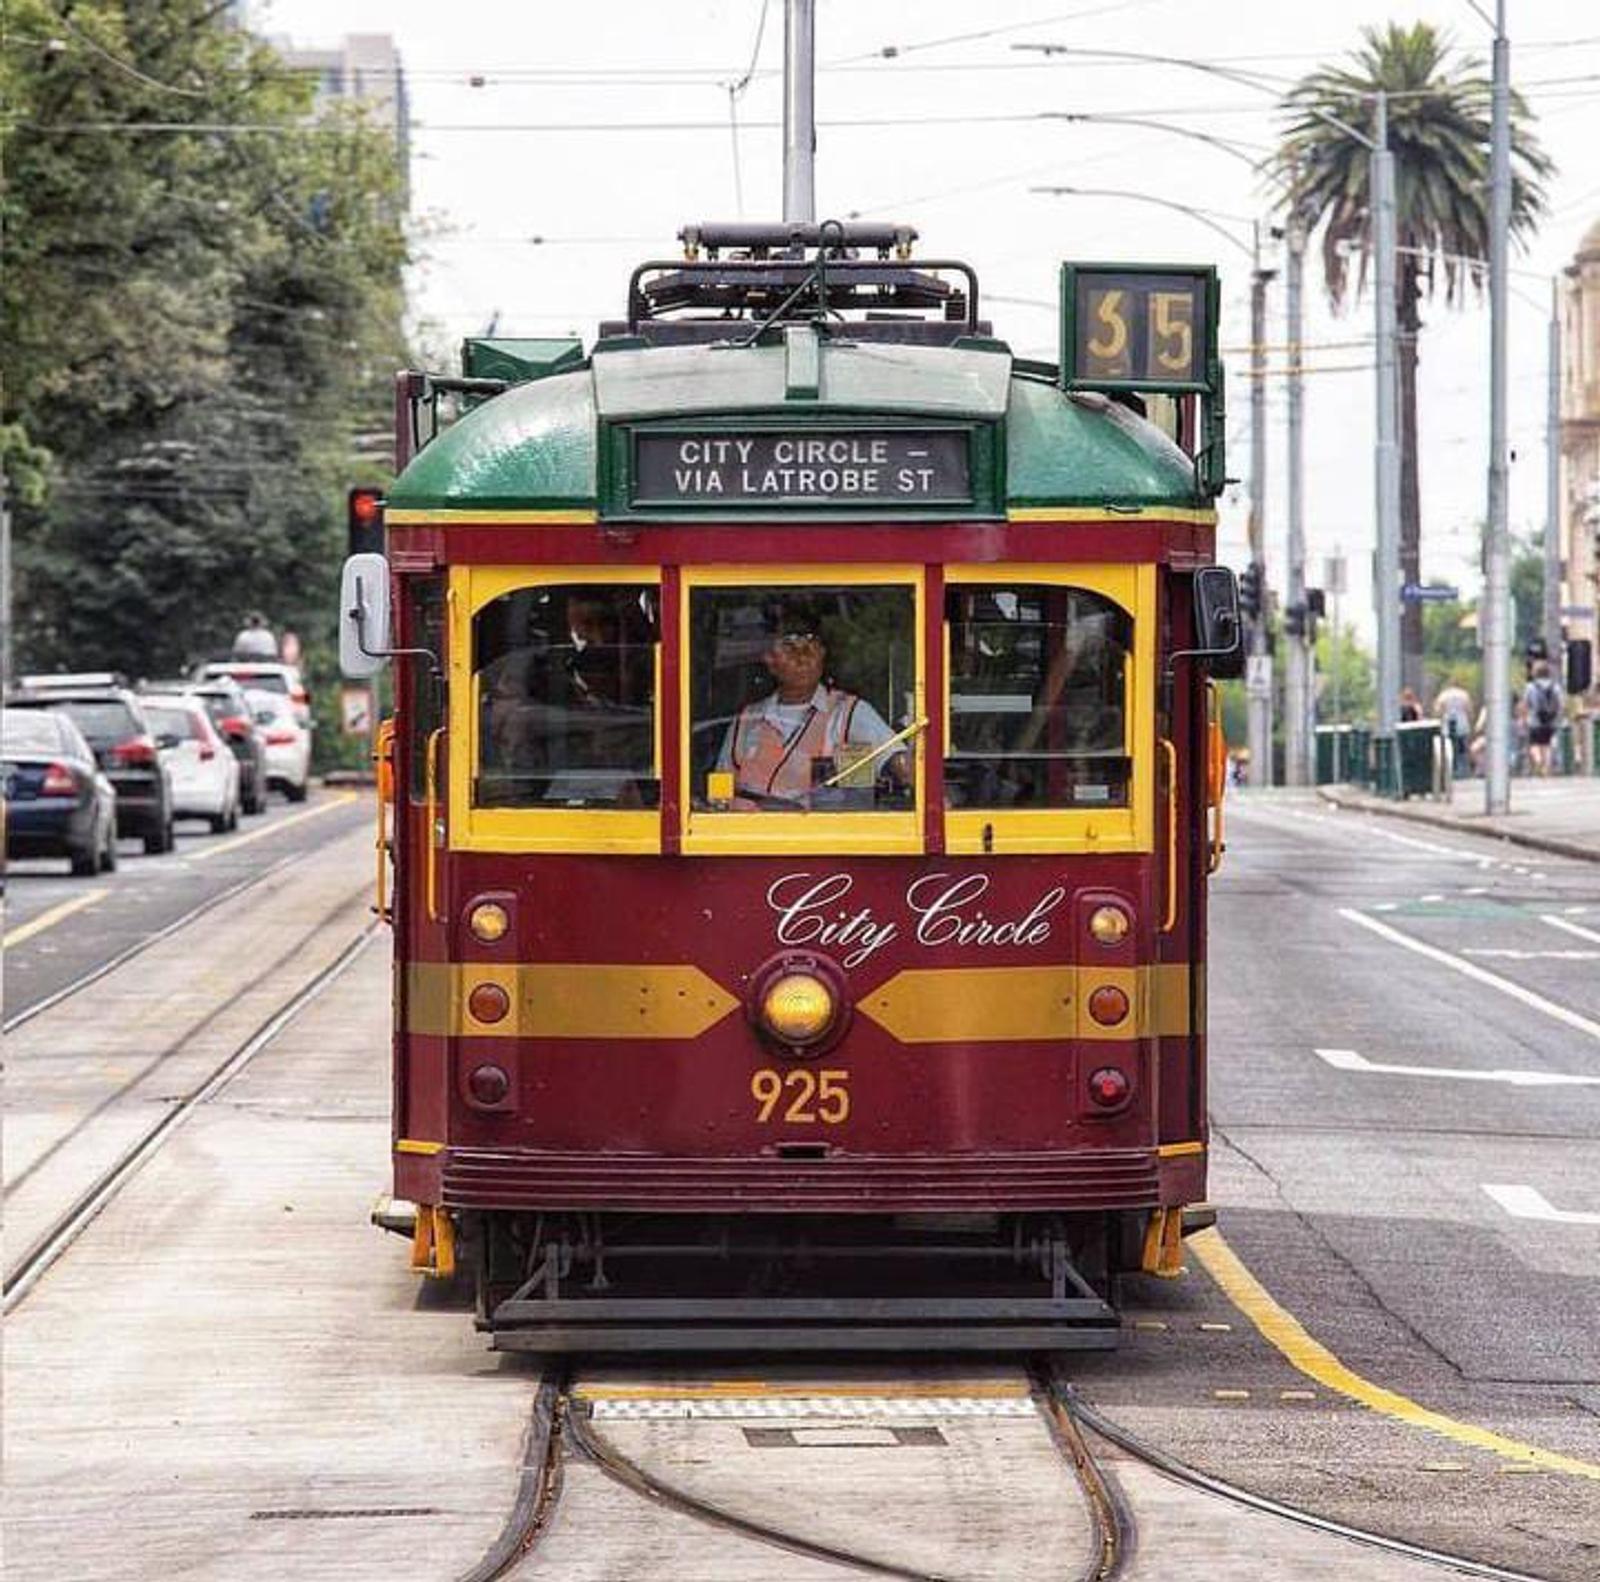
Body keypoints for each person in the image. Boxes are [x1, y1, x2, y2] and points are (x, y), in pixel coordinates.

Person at [716, 625, 905, 809]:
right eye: (790, 649)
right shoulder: (748, 719)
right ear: (770, 660)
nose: (802, 659)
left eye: (811, 647)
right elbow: (721, 787)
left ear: (822, 655)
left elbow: (901, 766)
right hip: (748, 836)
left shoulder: (849, 713)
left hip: (816, 837)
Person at [1523, 659, 1564, 777]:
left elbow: (1525, 704)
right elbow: (1560, 704)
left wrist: (1524, 718)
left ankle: (1538, 761)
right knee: (1547, 745)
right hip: (1551, 721)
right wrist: (1557, 717)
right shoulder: (1555, 687)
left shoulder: (1530, 687)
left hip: (1534, 721)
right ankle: (1546, 766)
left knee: (1534, 744)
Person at [1434, 680, 1472, 776]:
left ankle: (1449, 770)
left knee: (1447, 748)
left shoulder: (1444, 695)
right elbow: (1469, 709)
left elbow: (1438, 710)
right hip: (1462, 724)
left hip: (1447, 724)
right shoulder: (1464, 694)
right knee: (1462, 749)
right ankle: (1463, 771)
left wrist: (1439, 719)